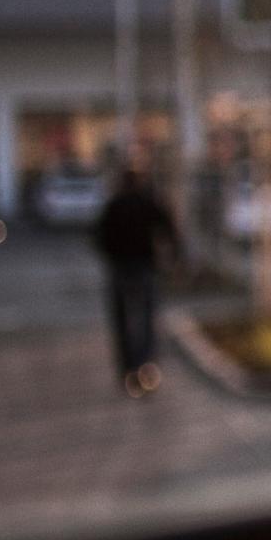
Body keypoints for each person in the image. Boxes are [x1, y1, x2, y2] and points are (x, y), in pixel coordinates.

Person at [94, 164, 182, 398]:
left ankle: (129, 368)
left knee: (123, 320)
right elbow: (169, 228)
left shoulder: (114, 205)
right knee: (147, 318)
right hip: (144, 267)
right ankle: (146, 364)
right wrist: (173, 256)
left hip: (121, 269)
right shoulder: (147, 202)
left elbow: (99, 236)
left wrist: (112, 255)